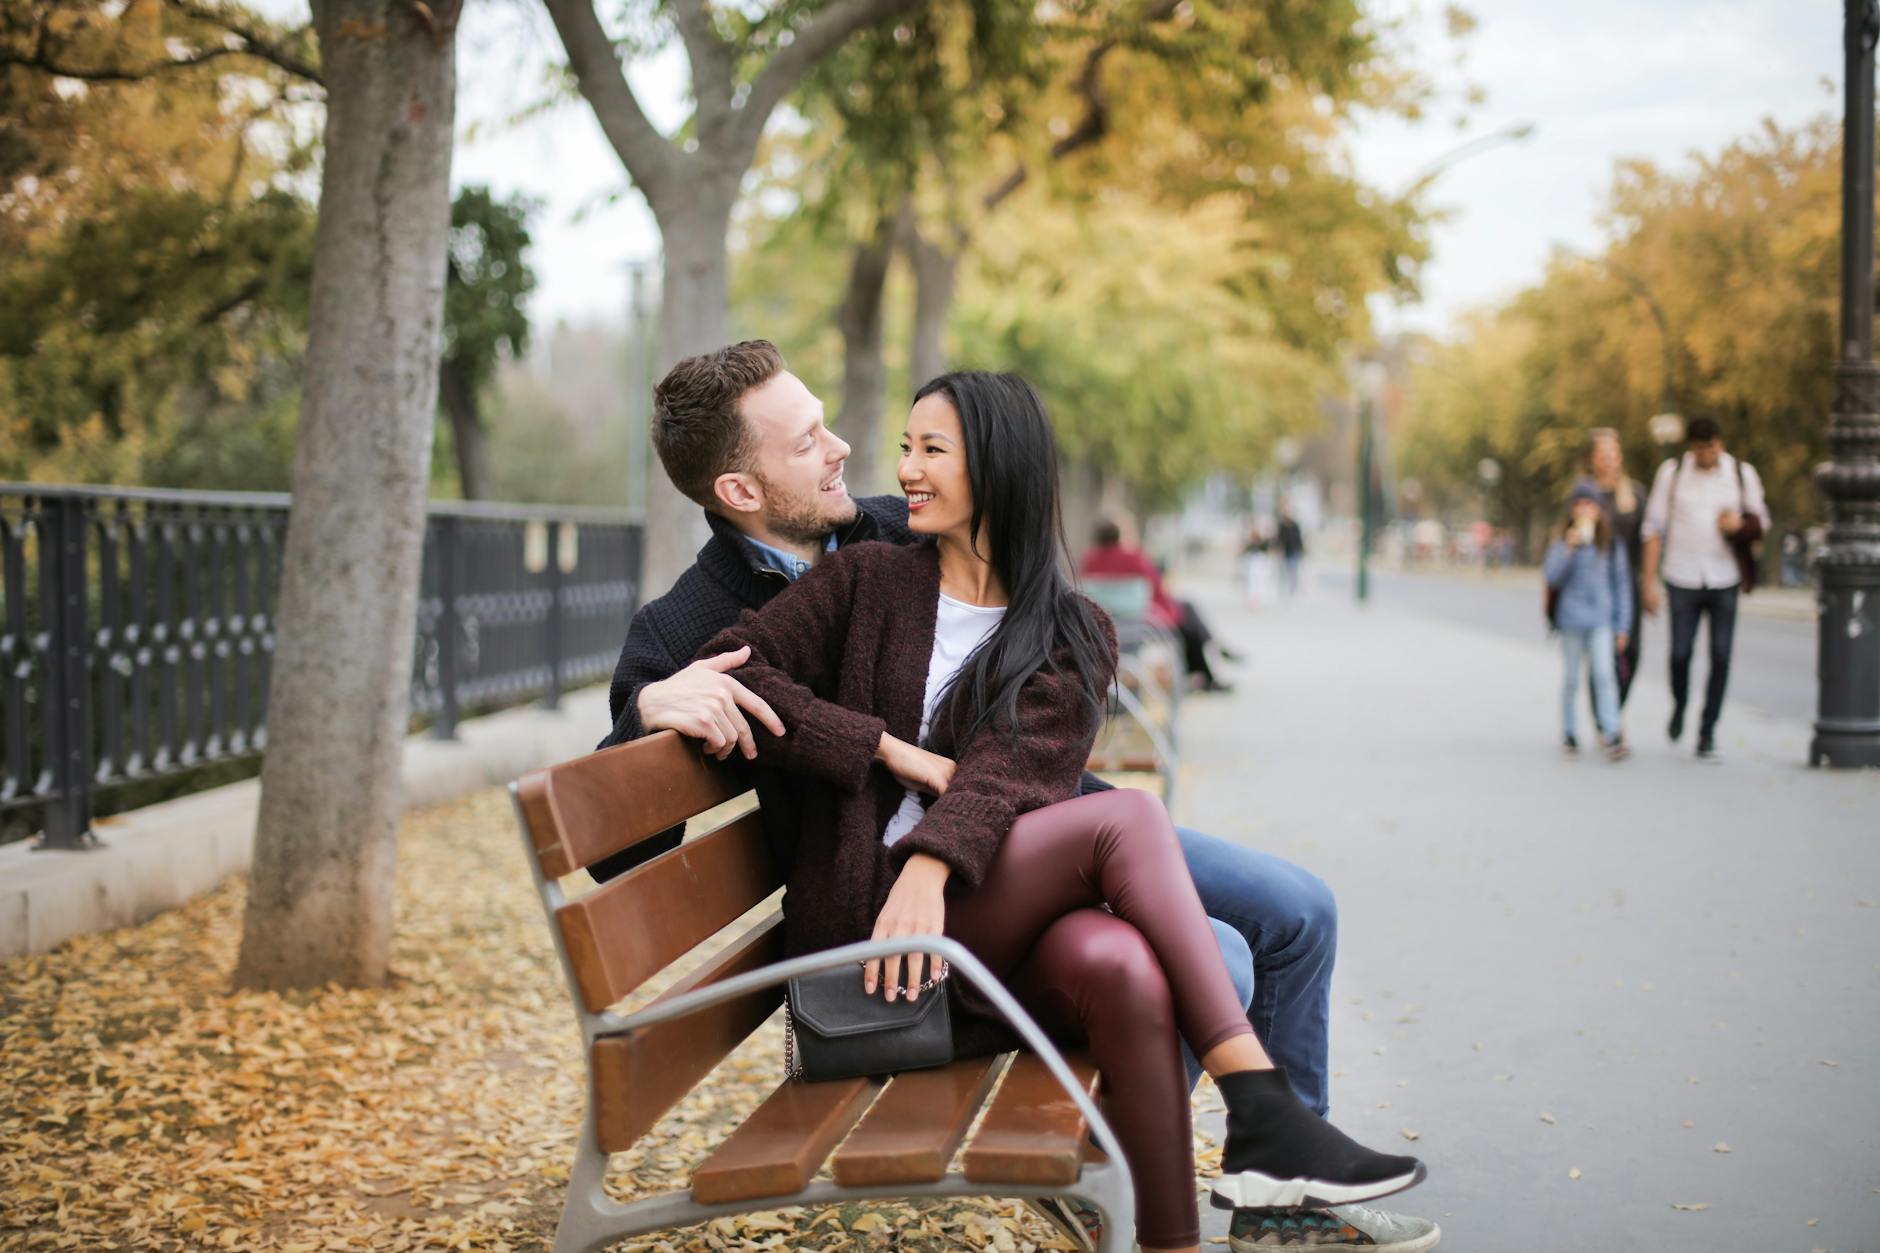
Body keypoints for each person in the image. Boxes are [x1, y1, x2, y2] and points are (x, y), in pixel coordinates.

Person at [597, 342, 1438, 1251]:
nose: (851, 451)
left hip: (1038, 817)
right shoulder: (693, 621)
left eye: (838, 426)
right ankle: (1154, 1160)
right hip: (926, 888)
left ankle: (1282, 1196)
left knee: (1297, 909)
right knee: (1217, 955)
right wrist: (650, 704)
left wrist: (941, 815)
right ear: (742, 490)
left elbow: (1030, 656)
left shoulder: (891, 525)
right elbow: (620, 828)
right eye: (807, 442)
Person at [1640, 415, 1770, 760]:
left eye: (1710, 447)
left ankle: (1707, 730)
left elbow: (1761, 521)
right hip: (1682, 576)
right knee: (1680, 653)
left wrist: (1738, 525)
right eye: (1698, 448)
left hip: (1724, 576)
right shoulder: (1672, 475)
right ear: (1691, 448)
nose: (1705, 454)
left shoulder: (1741, 474)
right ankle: (1680, 703)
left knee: (1721, 655)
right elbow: (1653, 528)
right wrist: (1648, 583)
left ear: (1720, 444)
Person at [1080, 516, 1234, 692]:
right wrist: (1172, 613)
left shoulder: (1089, 559)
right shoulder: (1132, 557)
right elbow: (1156, 586)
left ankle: (1211, 654)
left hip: (1108, 622)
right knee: (1188, 615)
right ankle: (1211, 655)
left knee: (1188, 615)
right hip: (1140, 620)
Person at [1544, 483, 1632, 761]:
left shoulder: (1611, 544)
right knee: (1571, 679)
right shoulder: (1562, 541)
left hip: (1601, 620)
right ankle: (1569, 731)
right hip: (1571, 619)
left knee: (1604, 675)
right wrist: (1567, 549)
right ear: (1572, 510)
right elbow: (1552, 577)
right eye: (1579, 504)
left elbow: (1622, 586)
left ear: (1598, 510)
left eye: (1590, 504)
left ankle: (1611, 731)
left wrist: (1623, 625)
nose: (1584, 509)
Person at [1584, 429, 1645, 707]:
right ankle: (1606, 721)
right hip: (1594, 583)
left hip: (1628, 583)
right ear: (1592, 459)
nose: (1609, 460)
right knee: (1599, 654)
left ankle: (1614, 710)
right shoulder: (1585, 494)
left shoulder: (1634, 494)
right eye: (1602, 455)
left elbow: (1647, 540)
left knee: (1631, 652)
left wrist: (1649, 582)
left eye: (1613, 454)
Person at [1275, 503, 1306, 598]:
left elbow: (1299, 539)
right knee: (1283, 573)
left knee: (1293, 572)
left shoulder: (1295, 525)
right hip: (1284, 552)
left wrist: (1302, 550)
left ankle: (1292, 592)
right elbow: (1278, 539)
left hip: (1294, 552)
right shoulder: (1281, 525)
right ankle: (1284, 592)